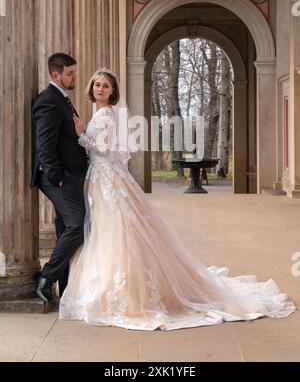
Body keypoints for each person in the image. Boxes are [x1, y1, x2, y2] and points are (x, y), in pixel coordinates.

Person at [59, 68, 295, 331]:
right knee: (109, 230)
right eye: (97, 85)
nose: (100, 89)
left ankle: (125, 290)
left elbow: (103, 149)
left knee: (115, 230)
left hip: (107, 178)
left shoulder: (106, 115)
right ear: (91, 88)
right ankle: (109, 283)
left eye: (105, 86)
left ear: (113, 91)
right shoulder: (102, 113)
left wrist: (81, 134)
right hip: (104, 177)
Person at [31, 53, 88, 302]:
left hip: (70, 176)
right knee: (78, 225)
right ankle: (46, 277)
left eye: (74, 72)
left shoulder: (62, 99)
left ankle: (64, 290)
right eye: (70, 73)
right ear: (56, 75)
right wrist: (57, 177)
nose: (74, 77)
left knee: (65, 227)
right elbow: (45, 145)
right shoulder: (49, 101)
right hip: (57, 177)